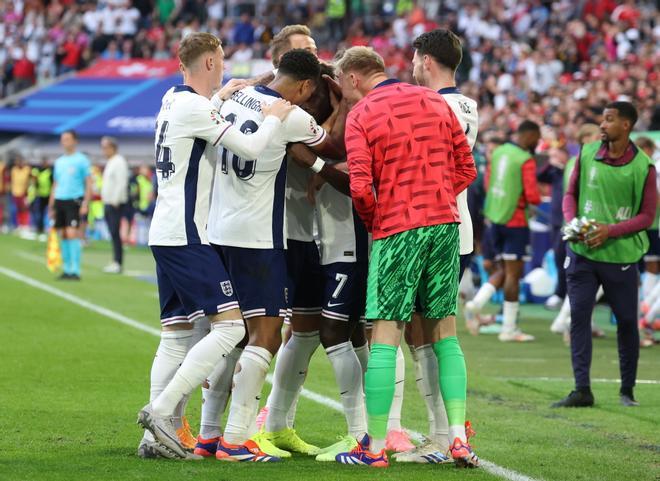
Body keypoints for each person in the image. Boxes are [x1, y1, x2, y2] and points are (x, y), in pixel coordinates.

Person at [136, 32, 294, 460]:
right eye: (222, 61)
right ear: (209, 63)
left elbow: (201, 107)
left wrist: (225, 93)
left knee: (176, 334)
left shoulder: (172, 98)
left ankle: (155, 438)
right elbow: (251, 145)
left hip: (162, 231)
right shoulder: (194, 108)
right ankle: (161, 410)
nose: (225, 67)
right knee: (231, 326)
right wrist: (276, 115)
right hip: (189, 234)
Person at [333, 46, 477, 468]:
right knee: (445, 334)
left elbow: (360, 187)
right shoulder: (434, 100)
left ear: (354, 79)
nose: (344, 93)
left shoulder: (362, 115)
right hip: (446, 225)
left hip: (397, 227)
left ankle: (374, 447)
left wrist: (379, 219)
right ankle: (457, 440)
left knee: (386, 334)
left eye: (342, 85)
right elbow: (466, 169)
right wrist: (434, 198)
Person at [204, 48, 345, 462]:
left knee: (231, 337)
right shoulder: (293, 116)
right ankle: (236, 439)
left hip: (218, 230)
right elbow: (333, 145)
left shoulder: (235, 95)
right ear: (304, 87)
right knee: (265, 337)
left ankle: (210, 435)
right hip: (257, 237)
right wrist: (337, 105)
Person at [394, 28, 479, 464]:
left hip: (429, 226)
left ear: (426, 60)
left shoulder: (430, 104)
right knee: (432, 331)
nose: (410, 68)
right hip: (457, 227)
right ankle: (450, 434)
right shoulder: (468, 105)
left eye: (414, 60)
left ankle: (441, 438)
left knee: (423, 333)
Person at [553, 102, 657, 408]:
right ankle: (581, 389)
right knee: (579, 318)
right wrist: (574, 222)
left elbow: (648, 216)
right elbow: (570, 194)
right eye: (602, 119)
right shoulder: (585, 154)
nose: (602, 125)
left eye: (609, 120)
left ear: (626, 125)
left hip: (620, 255)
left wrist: (609, 230)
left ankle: (627, 390)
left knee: (626, 322)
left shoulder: (644, 167)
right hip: (582, 251)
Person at [465, 121, 542, 342]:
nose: (537, 143)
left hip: (494, 218)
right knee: (513, 274)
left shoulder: (499, 153)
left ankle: (476, 304)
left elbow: (488, 184)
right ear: (529, 135)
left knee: (501, 270)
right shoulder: (524, 159)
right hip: (515, 221)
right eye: (536, 138)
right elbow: (533, 196)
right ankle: (509, 329)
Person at [48, 131, 92, 280]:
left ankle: (76, 270)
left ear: (75, 141)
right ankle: (67, 269)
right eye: (63, 139)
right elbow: (55, 183)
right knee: (63, 234)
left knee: (73, 233)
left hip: (74, 200)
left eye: (67, 139)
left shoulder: (82, 160)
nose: (64, 142)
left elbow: (88, 183)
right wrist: (51, 205)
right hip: (60, 199)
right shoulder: (59, 161)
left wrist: (86, 203)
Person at [100, 136, 130, 274]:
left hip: (114, 203)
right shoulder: (111, 161)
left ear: (113, 147)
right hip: (108, 201)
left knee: (115, 232)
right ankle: (115, 261)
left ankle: (118, 262)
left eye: (105, 147)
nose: (103, 150)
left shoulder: (119, 161)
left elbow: (121, 182)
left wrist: (116, 200)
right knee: (112, 233)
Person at [30, 157, 52, 238]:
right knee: (40, 213)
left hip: (48, 195)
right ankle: (40, 228)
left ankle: (50, 228)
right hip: (40, 195)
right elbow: (35, 182)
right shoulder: (38, 172)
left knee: (50, 212)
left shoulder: (50, 172)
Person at [10, 154, 31, 230]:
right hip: (15, 193)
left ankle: (25, 224)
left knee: (25, 209)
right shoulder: (14, 170)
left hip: (24, 193)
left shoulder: (27, 169)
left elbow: (30, 180)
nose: (18, 163)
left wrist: (28, 192)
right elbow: (12, 180)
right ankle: (19, 224)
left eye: (19, 161)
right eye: (17, 161)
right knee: (17, 209)